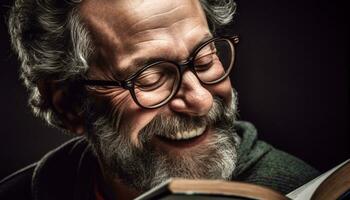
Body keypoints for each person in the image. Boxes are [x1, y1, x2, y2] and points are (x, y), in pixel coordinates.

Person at [0, 0, 319, 199]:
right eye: (150, 76)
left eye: (205, 58)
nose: (201, 101)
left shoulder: (296, 187)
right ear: (68, 105)